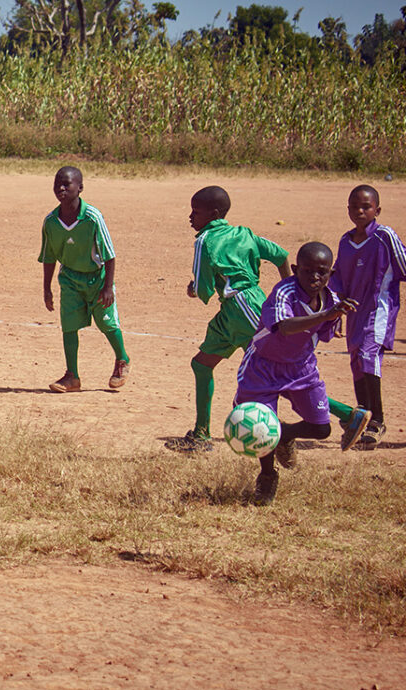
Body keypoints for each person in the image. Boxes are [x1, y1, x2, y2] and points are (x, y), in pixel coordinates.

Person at [168, 186, 367, 451]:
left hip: (241, 309)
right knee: (202, 365)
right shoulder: (243, 233)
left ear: (213, 214)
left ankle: (348, 414)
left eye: (195, 211)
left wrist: (193, 289)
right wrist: (292, 289)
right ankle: (200, 434)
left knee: (273, 373)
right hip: (238, 308)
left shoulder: (205, 240)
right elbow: (281, 255)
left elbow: (203, 288)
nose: (191, 217)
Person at [237, 242, 364, 505]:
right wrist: (326, 315)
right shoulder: (285, 291)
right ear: (295, 270)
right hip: (263, 365)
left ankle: (284, 435)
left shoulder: (332, 300)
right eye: (307, 271)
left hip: (301, 367)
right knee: (261, 427)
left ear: (331, 273)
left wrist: (333, 317)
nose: (315, 277)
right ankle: (267, 475)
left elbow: (325, 334)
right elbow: (284, 327)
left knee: (321, 429)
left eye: (322, 272)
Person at [38, 166, 130, 393]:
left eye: (66, 184)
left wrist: (108, 287)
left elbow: (109, 255)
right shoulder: (51, 221)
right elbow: (48, 257)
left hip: (96, 279)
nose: (61, 188)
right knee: (69, 326)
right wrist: (47, 288)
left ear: (80, 188)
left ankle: (122, 359)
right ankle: (72, 377)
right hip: (69, 279)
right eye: (57, 183)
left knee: (107, 323)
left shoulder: (92, 218)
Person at [329, 184, 406, 448]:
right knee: (356, 361)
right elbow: (337, 277)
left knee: (368, 355)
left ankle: (377, 421)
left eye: (366, 206)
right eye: (354, 206)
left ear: (377, 210)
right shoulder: (345, 241)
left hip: (378, 308)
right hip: (354, 313)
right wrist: (335, 308)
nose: (359, 211)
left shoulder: (384, 236)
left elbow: (404, 265)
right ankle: (361, 418)